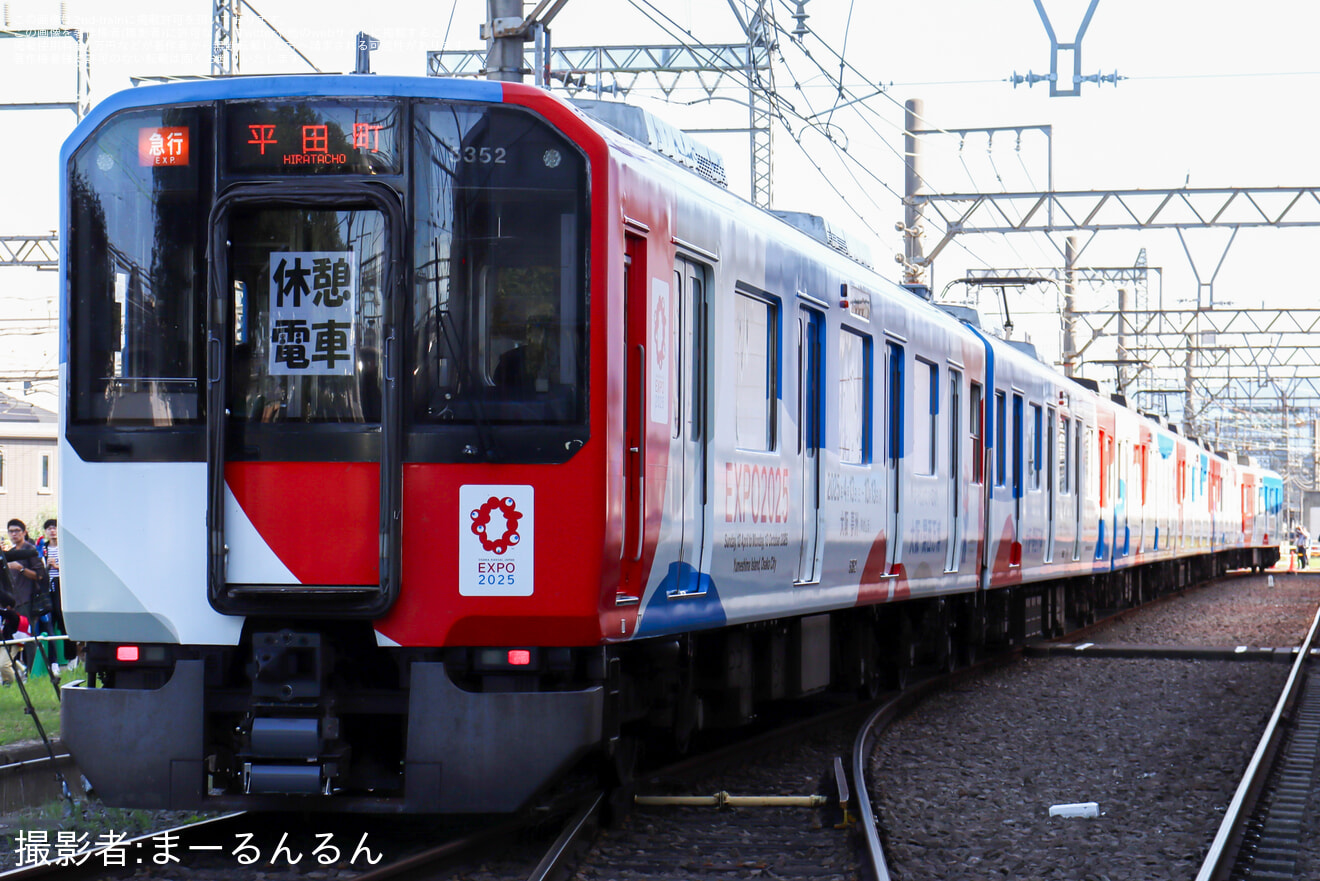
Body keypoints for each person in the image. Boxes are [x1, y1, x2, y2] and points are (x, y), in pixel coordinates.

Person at [5, 520, 48, 673]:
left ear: (24, 532)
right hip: (13, 602)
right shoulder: (12, 552)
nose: (14, 534)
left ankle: (32, 672)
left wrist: (21, 568)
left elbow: (40, 576)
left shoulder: (30, 550)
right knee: (13, 637)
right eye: (11, 531)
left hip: (28, 601)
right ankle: (16, 670)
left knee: (28, 638)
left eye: (17, 530)